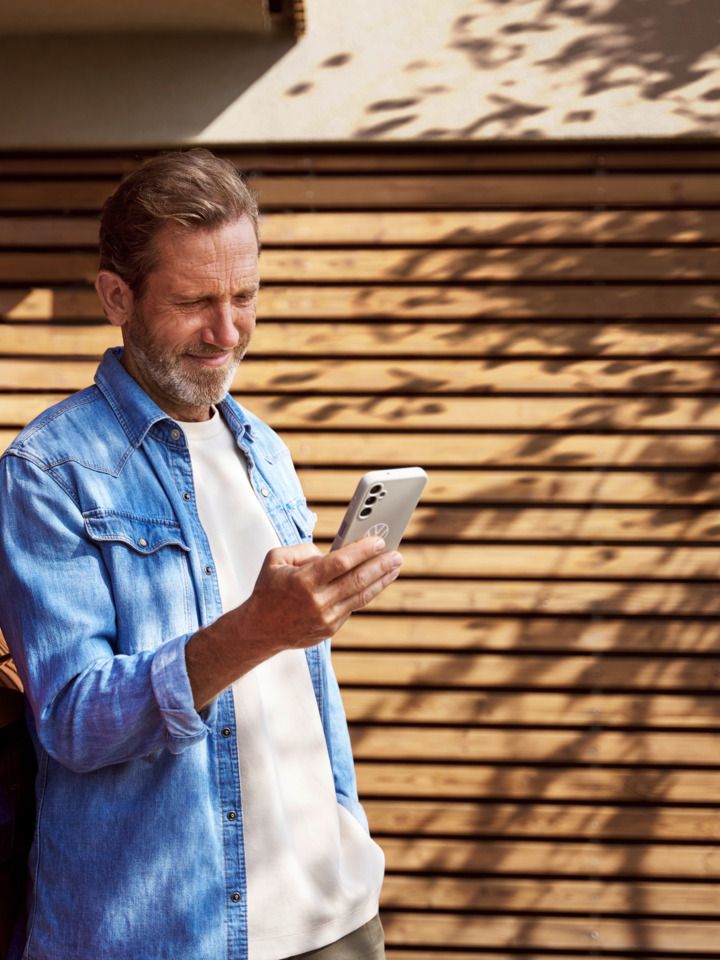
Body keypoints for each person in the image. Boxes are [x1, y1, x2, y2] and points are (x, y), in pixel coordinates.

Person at [0, 149, 402, 960]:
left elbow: (304, 687)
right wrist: (254, 629)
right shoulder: (48, 472)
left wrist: (346, 828)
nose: (228, 332)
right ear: (117, 296)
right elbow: (72, 719)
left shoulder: (265, 450)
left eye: (244, 296)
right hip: (167, 932)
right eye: (194, 302)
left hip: (337, 916)